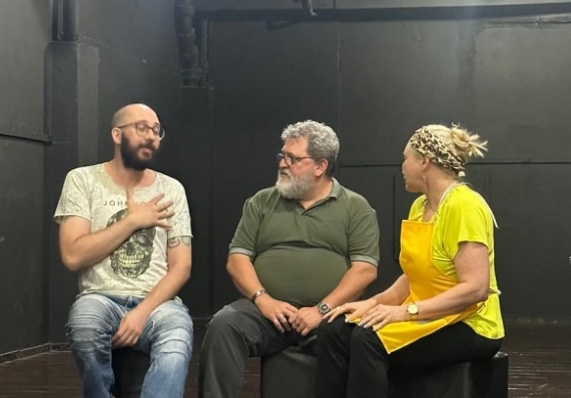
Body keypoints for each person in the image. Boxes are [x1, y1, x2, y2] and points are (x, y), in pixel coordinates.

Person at [314, 123, 504, 398]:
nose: (402, 166)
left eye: (405, 158)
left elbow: (475, 289)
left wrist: (405, 312)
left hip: (470, 324)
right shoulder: (419, 205)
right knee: (333, 329)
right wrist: (372, 303)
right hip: (427, 312)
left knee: (368, 339)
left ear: (424, 162)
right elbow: (413, 276)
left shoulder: (464, 205)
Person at [198, 120, 381, 398]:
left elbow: (365, 270)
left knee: (358, 339)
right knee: (224, 325)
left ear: (320, 166)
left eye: (293, 158)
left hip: (327, 316)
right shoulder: (261, 201)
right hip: (267, 312)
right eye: (282, 156)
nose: (283, 164)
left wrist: (321, 310)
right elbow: (237, 259)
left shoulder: (356, 207)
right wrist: (263, 299)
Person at [54, 103, 193, 398]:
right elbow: (73, 256)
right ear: (117, 135)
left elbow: (181, 267)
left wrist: (142, 313)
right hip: (100, 296)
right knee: (84, 324)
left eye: (156, 130)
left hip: (158, 303)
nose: (151, 136)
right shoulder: (82, 180)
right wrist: (132, 221)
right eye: (142, 128)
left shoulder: (172, 189)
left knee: (177, 338)